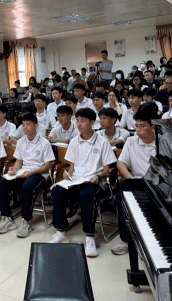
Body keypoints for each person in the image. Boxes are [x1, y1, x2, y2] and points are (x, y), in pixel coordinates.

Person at [48, 108, 117, 257]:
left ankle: (90, 236)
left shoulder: (102, 142)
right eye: (77, 121)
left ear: (92, 123)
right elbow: (72, 166)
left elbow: (107, 169)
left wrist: (98, 176)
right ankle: (61, 231)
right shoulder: (74, 141)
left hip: (94, 181)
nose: (79, 124)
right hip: (76, 180)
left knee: (86, 196)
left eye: (83, 121)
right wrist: (68, 174)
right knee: (57, 191)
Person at [0, 113, 55, 238]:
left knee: (27, 187)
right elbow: (19, 162)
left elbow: (47, 166)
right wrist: (13, 169)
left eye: (28, 124)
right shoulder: (21, 141)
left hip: (39, 173)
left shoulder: (44, 143)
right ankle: (7, 218)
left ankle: (26, 221)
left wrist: (32, 172)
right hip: (23, 171)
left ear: (36, 126)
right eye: (23, 125)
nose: (25, 127)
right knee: (2, 183)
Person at [111, 103, 158, 255]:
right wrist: (131, 178)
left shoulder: (163, 143)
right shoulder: (131, 141)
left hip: (157, 184)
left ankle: (153, 241)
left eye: (142, 126)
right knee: (121, 200)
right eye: (136, 126)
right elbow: (121, 162)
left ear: (153, 127)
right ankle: (125, 240)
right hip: (137, 182)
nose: (137, 130)